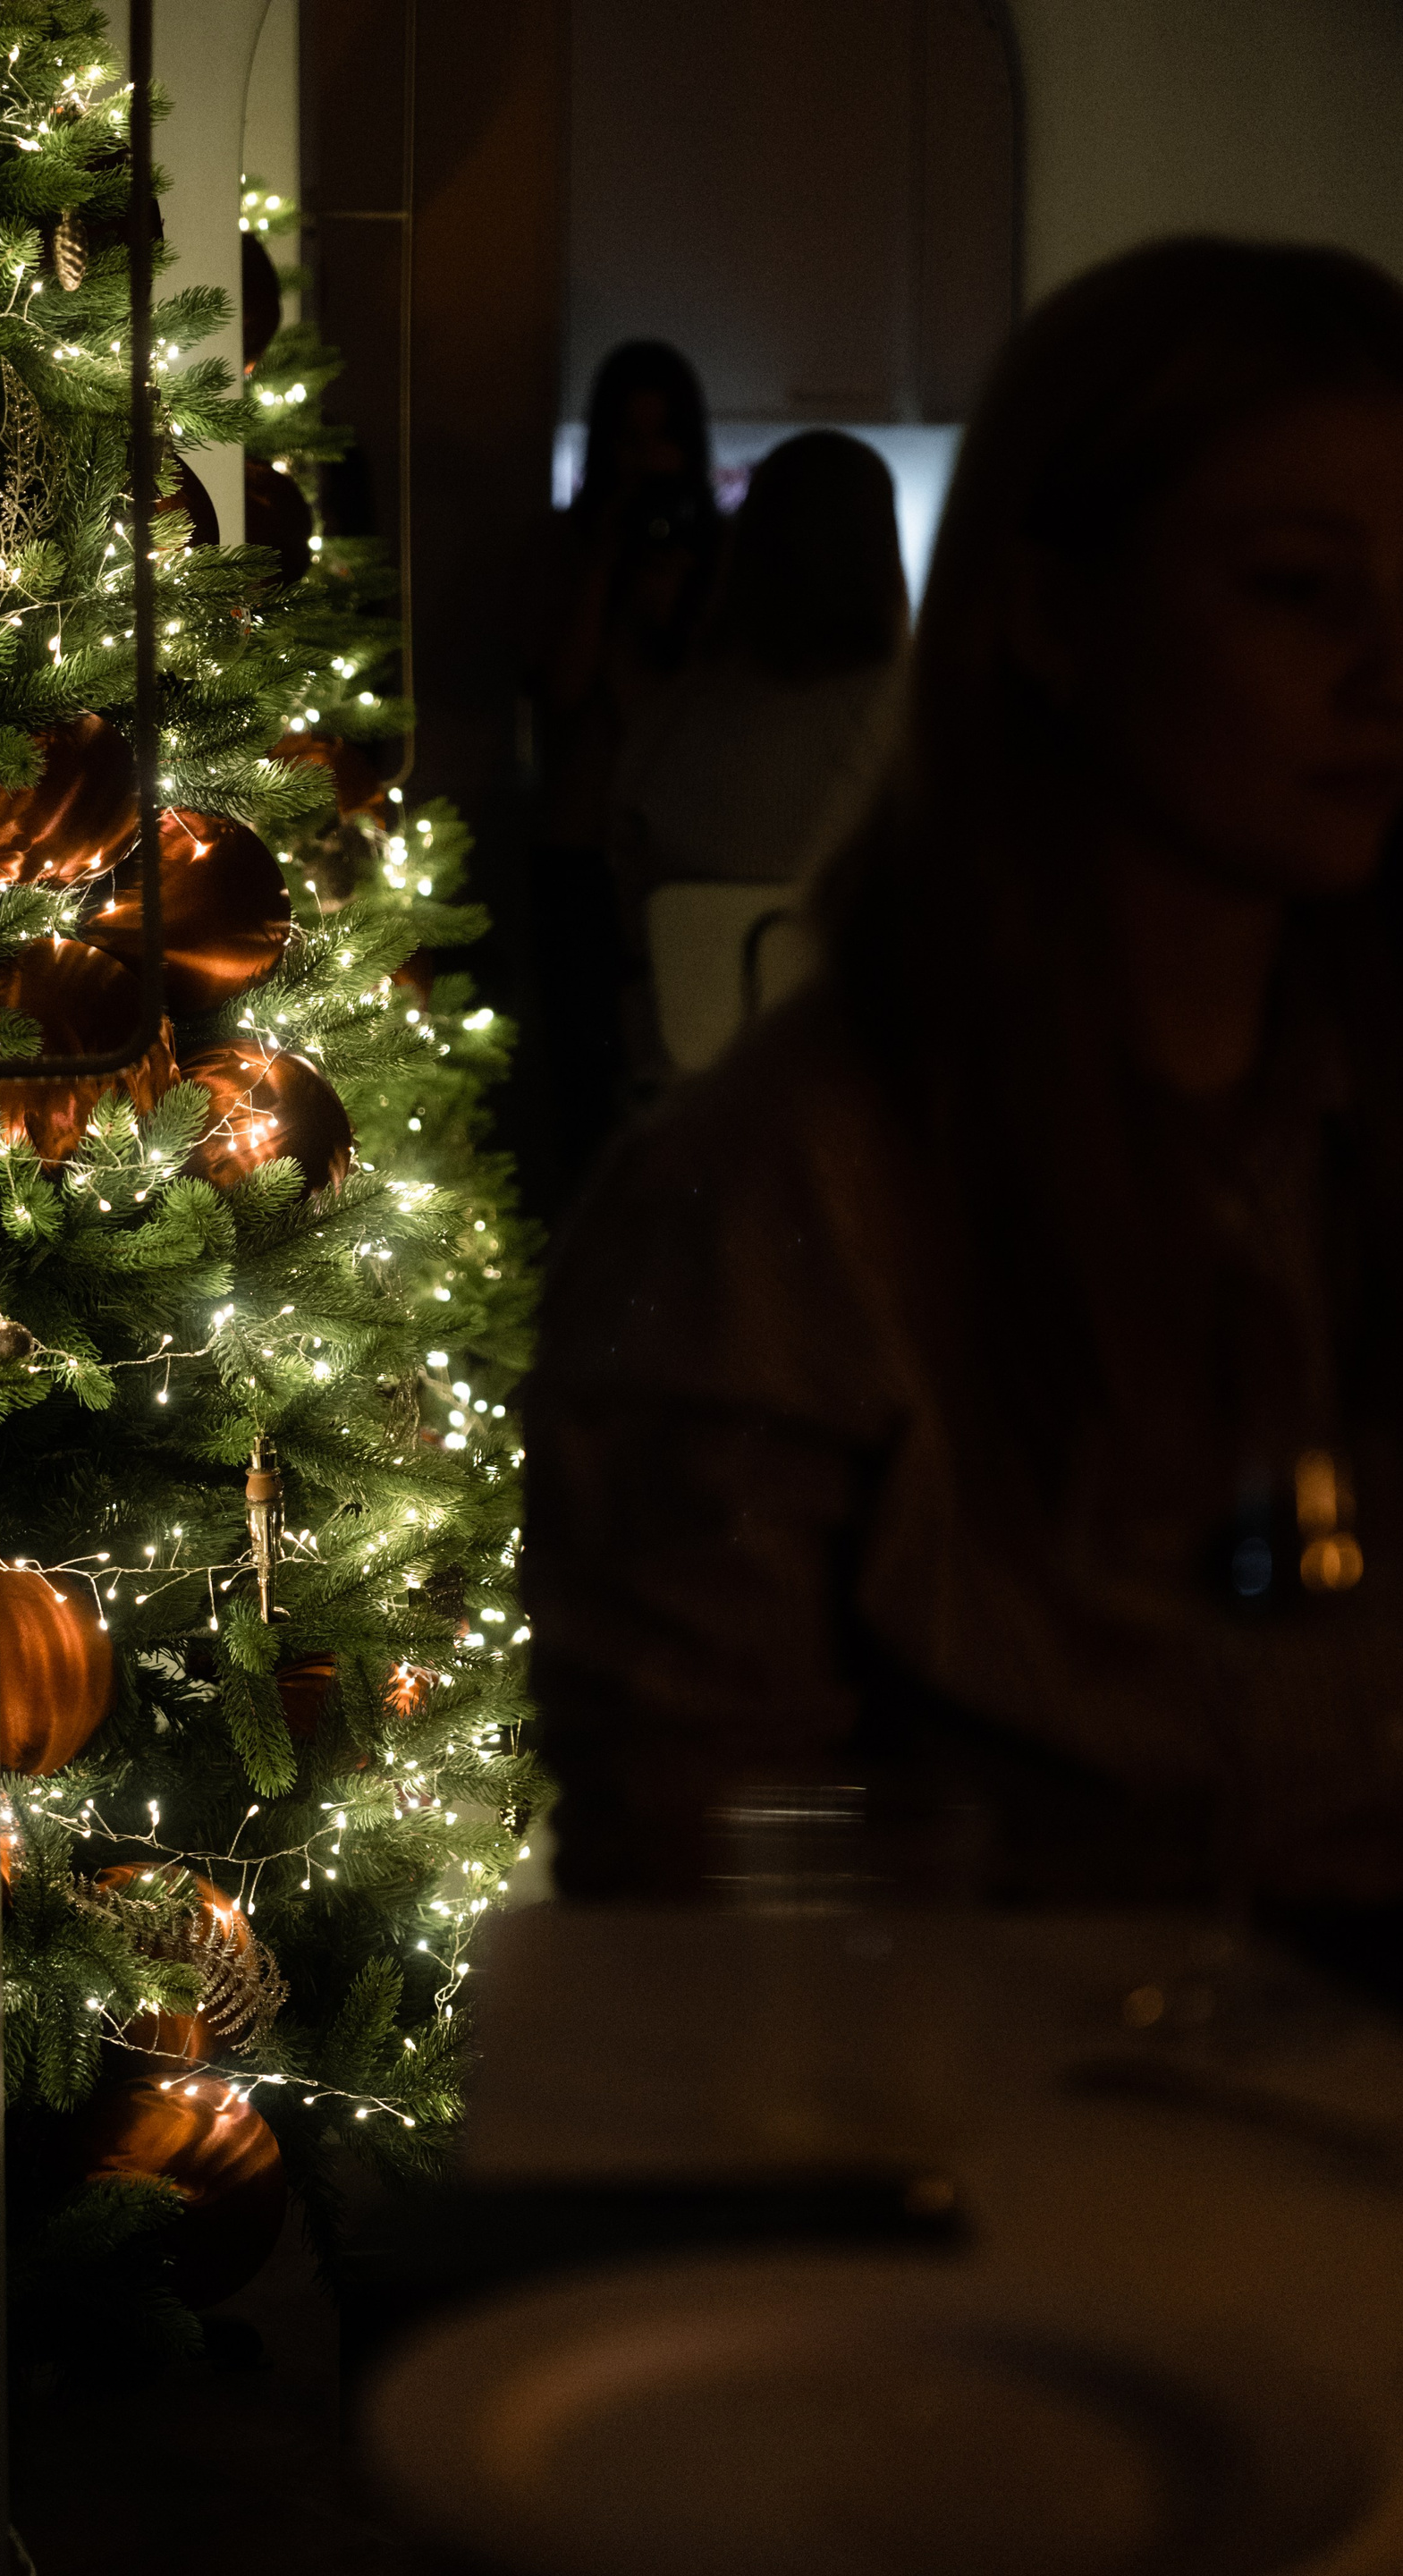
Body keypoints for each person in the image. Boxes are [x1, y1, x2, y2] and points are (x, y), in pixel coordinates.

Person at [524, 239, 1403, 1980]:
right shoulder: (783, 1206)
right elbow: (702, 1908)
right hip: (992, 2119)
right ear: (1053, 619)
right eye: (1301, 587)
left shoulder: (1344, 1121)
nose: (1390, 670)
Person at [609, 430, 909, 1086]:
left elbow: (630, 891)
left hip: (683, 1078)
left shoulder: (678, 709)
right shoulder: (912, 712)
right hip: (857, 1079)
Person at [515, 342, 724, 1208]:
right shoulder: (565, 548)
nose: (646, 462)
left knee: (686, 1080)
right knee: (583, 1085)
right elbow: (559, 690)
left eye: (663, 438)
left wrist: (676, 594)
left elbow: (711, 706)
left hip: (679, 850)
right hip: (579, 847)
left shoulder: (716, 554)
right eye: (629, 440)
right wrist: (603, 565)